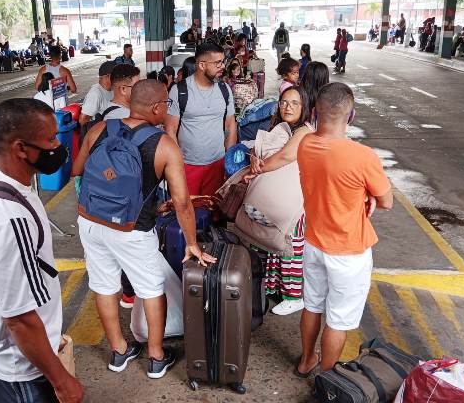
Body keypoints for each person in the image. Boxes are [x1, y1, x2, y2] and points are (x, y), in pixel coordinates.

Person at [74, 79, 215, 379]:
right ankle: (155, 356)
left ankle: (118, 351)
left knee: (103, 286)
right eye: (167, 103)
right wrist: (192, 242)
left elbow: (78, 170)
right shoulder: (164, 144)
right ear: (156, 108)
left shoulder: (100, 129)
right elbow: (182, 202)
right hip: (131, 230)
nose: (168, 109)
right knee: (151, 289)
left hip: (90, 221)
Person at [0, 98, 84, 403]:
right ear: (20, 148)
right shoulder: (8, 220)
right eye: (51, 139)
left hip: (14, 354)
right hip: (19, 366)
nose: (58, 146)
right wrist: (61, 380)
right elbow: (19, 319)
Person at [296, 82, 393, 375]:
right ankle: (327, 378)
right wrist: (368, 196)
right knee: (337, 320)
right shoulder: (363, 157)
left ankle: (305, 361)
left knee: (312, 305)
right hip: (349, 252)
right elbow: (387, 201)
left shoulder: (305, 144)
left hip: (313, 242)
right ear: (351, 116)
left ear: (315, 112)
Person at [244, 85, 314, 315]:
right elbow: (258, 148)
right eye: (284, 102)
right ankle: (274, 287)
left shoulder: (304, 131)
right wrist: (254, 158)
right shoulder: (277, 126)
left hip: (293, 199)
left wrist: (256, 170)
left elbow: (284, 157)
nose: (288, 107)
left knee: (289, 245)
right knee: (272, 241)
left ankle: (294, 296)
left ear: (304, 107)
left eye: (294, 103)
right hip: (274, 196)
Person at [166, 42, 236, 196]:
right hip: (187, 165)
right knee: (188, 210)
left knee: (213, 210)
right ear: (202, 65)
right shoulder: (180, 90)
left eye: (223, 61)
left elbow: (230, 124)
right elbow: (170, 129)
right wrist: (176, 163)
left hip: (218, 164)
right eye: (217, 63)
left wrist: (229, 162)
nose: (223, 66)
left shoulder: (224, 90)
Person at [79, 61, 115, 126]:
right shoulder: (95, 93)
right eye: (117, 75)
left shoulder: (113, 89)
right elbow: (83, 120)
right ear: (109, 76)